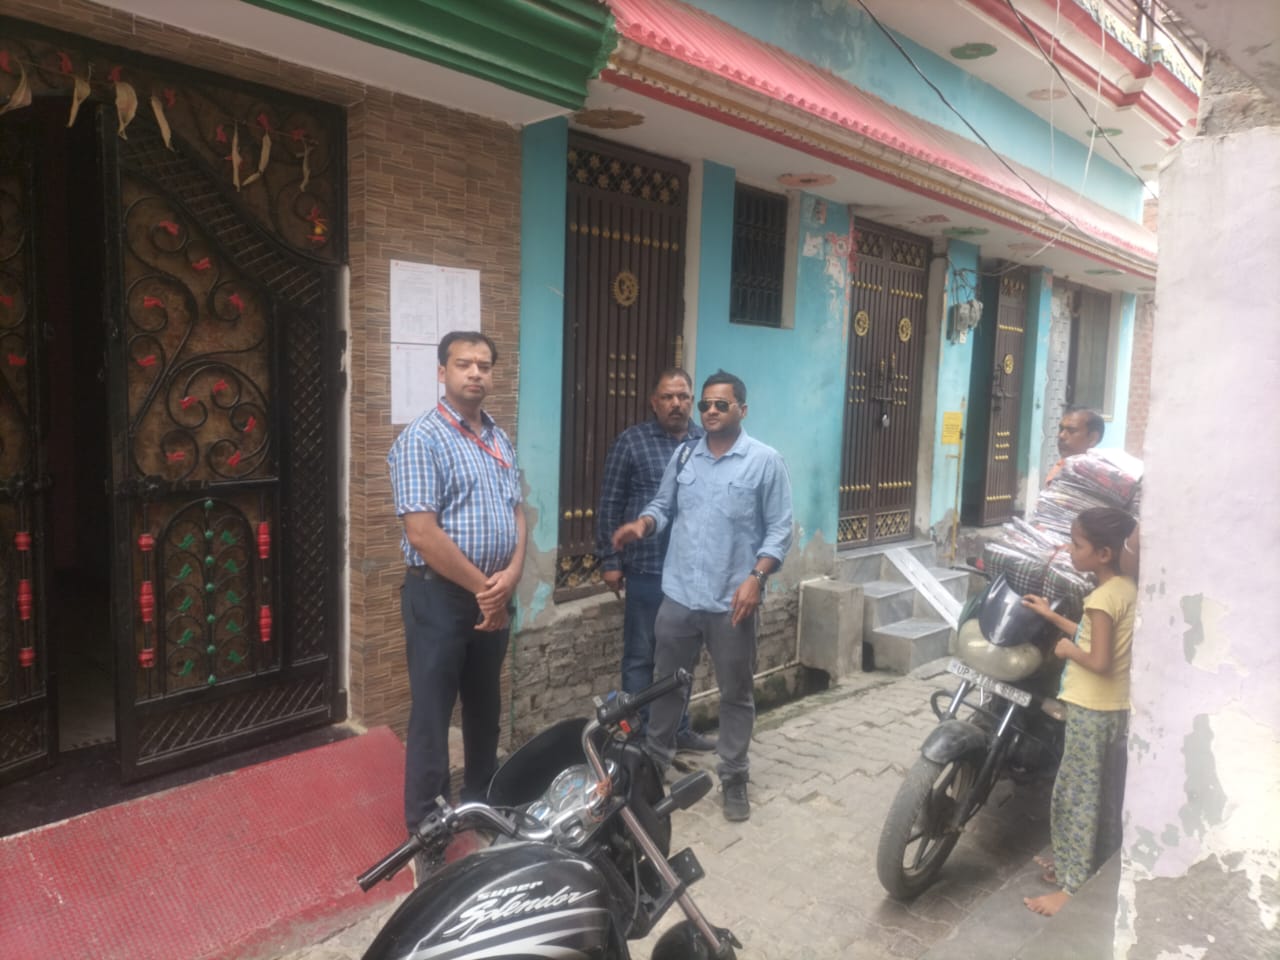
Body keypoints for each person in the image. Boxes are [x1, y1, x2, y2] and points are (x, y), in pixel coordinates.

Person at [611, 370, 793, 822]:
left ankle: (733, 776)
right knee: (666, 686)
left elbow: (780, 530)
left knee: (736, 692)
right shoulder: (685, 455)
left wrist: (756, 578)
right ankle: (654, 767)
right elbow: (663, 505)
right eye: (705, 404)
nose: (710, 411)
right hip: (679, 597)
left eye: (720, 404)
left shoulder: (764, 461)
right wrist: (644, 524)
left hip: (733, 602)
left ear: (741, 410)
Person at [387, 330, 526, 847]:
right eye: (464, 364)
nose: (475, 373)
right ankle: (428, 831)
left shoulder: (498, 438)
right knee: (432, 714)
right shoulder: (421, 438)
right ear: (442, 372)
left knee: (485, 709)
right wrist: (485, 588)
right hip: (440, 599)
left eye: (484, 365)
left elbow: (518, 511)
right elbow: (422, 533)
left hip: (494, 595)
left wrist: (512, 575)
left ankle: (481, 803)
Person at [1019, 507, 1138, 917]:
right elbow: (1095, 636)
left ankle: (1072, 886)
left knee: (1076, 796)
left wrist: (1069, 651)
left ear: (1103, 554)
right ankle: (1080, 863)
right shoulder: (1125, 589)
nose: (1069, 550)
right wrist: (1052, 616)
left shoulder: (1101, 599)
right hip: (1112, 707)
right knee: (1099, 792)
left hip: (1091, 708)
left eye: (1077, 544)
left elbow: (1098, 659)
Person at [596, 369, 714, 753]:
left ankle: (677, 730)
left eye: (683, 396)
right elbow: (610, 503)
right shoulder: (631, 443)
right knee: (640, 656)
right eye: (667, 397)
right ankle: (637, 739)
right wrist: (610, 560)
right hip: (647, 569)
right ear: (654, 402)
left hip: (691, 573)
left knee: (683, 656)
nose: (676, 404)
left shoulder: (706, 443)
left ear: (692, 401)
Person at [1045, 406, 1104, 485]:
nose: (1061, 435)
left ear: (1092, 438)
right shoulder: (1060, 467)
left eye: (1071, 431)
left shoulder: (1101, 477)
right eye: (1061, 429)